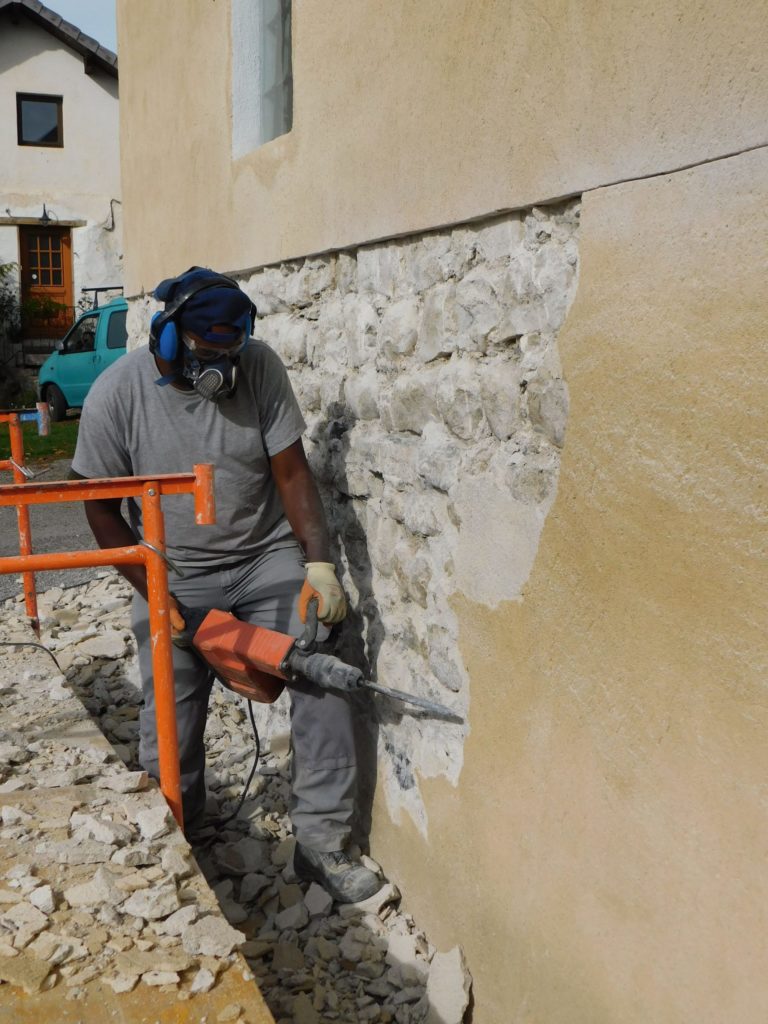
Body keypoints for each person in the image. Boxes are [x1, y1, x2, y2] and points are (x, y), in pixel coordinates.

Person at [70, 266, 382, 903]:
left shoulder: (260, 367)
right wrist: (154, 589)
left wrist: (319, 564)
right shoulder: (116, 394)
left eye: (229, 350)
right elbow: (98, 508)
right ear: (168, 340)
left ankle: (322, 847)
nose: (221, 367)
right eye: (207, 352)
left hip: (262, 556)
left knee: (319, 653)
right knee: (170, 712)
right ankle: (180, 838)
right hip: (170, 568)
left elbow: (292, 474)